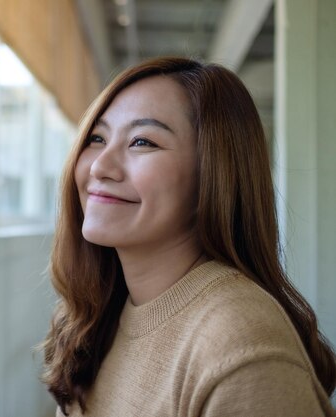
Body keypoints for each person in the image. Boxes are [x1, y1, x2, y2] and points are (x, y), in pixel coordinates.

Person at [41, 57, 336, 416]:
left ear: (213, 177)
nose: (101, 166)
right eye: (97, 137)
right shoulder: (101, 314)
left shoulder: (239, 343)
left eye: (142, 142)